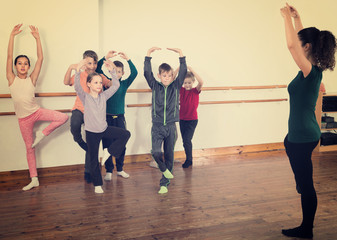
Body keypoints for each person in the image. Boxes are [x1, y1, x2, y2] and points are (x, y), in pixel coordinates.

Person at [280, 4, 336, 238]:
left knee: (307, 185)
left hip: (303, 137)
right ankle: (301, 184)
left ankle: (306, 229)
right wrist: (298, 18)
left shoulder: (309, 70)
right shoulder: (313, 69)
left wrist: (285, 18)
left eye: (302, 45)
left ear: (307, 48)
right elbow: (301, 42)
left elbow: (293, 45)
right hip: (304, 134)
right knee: (291, 150)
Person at [6, 24, 68, 191]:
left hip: (36, 112)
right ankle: (34, 179)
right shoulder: (11, 78)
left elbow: (40, 59)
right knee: (29, 148)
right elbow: (9, 54)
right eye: (20, 63)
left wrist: (37, 38)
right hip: (23, 120)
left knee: (63, 117)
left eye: (26, 63)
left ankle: (43, 133)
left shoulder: (31, 79)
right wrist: (12, 36)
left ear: (28, 67)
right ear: (15, 66)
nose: (23, 66)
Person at [74, 58, 130, 194]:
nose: (99, 85)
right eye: (96, 82)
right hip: (92, 133)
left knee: (125, 134)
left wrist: (111, 71)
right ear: (89, 84)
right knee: (93, 159)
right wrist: (77, 71)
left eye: (100, 82)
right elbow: (77, 87)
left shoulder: (103, 96)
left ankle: (109, 151)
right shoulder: (85, 97)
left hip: (104, 129)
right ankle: (97, 184)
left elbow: (115, 86)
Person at [64, 50, 112, 183]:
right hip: (79, 109)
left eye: (94, 63)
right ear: (84, 63)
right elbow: (66, 81)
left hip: (93, 114)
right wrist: (71, 67)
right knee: (74, 126)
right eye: (89, 63)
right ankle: (80, 142)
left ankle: (89, 171)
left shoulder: (100, 77)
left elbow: (111, 85)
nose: (92, 66)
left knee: (92, 143)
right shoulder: (80, 74)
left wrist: (114, 73)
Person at [144, 47, 187, 194]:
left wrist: (180, 55)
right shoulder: (155, 86)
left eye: (169, 76)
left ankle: (164, 183)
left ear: (172, 76)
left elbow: (182, 71)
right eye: (164, 76)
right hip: (157, 127)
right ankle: (163, 169)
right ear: (159, 76)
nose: (167, 78)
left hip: (170, 127)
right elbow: (146, 73)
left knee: (169, 156)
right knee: (156, 152)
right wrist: (148, 55)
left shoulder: (176, 86)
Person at [96, 51, 138, 180]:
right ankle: (109, 170)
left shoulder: (124, 84)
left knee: (121, 143)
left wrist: (128, 59)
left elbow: (135, 73)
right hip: (107, 118)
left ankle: (120, 169)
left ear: (123, 73)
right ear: (110, 71)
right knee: (107, 144)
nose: (117, 73)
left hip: (119, 117)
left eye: (119, 71)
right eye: (115, 71)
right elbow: (97, 68)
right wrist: (106, 57)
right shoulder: (106, 82)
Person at [179, 66, 203, 168]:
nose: (187, 85)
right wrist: (180, 69)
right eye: (185, 83)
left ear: (192, 82)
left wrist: (192, 70)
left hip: (192, 120)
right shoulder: (181, 90)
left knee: (187, 140)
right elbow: (173, 80)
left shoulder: (195, 91)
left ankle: (189, 160)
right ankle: (188, 159)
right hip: (182, 120)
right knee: (185, 141)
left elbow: (201, 82)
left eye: (189, 82)